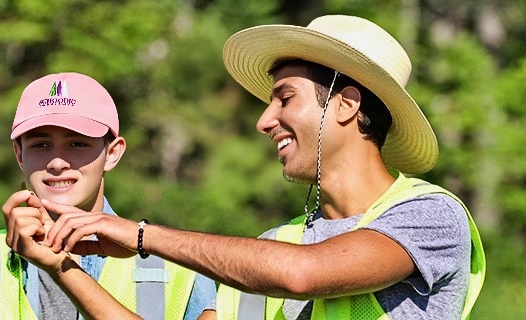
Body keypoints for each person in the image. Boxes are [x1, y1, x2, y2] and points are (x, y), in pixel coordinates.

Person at [39, 15, 486, 319]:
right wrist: (62, 267)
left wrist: (144, 236)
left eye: (285, 98)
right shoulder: (275, 245)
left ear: (347, 104)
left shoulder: (430, 215)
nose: (264, 120)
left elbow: (302, 274)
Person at [0, 72, 217, 320]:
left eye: (77, 143)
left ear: (112, 153)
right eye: (40, 145)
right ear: (19, 154)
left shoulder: (179, 262)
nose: (57, 161)